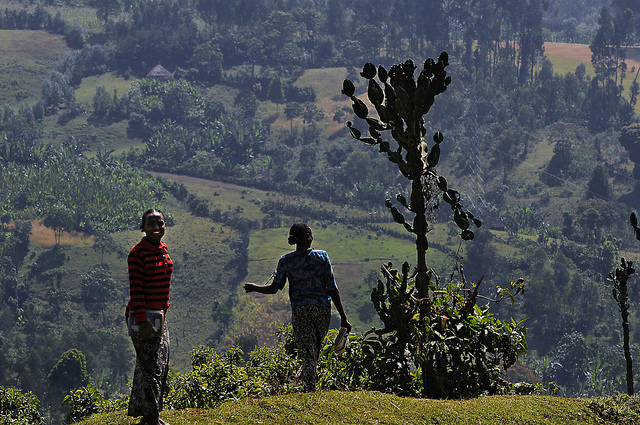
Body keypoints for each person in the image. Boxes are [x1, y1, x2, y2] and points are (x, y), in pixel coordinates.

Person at [244, 222, 351, 392]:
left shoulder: (286, 261)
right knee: (313, 349)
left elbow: (273, 288)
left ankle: (308, 387)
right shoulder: (322, 257)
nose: (312, 237)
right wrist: (343, 318)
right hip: (322, 310)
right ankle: (309, 387)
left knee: (308, 351)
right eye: (311, 234)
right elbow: (332, 288)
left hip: (301, 312)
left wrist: (254, 287)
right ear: (307, 237)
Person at [125, 209, 172, 425]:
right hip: (143, 318)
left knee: (158, 367)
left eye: (159, 223)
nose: (156, 227)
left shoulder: (162, 249)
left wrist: (164, 308)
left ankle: (150, 416)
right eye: (150, 223)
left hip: (159, 317)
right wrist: (143, 322)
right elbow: (136, 291)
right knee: (152, 368)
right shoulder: (137, 253)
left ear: (165, 225)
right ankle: (151, 418)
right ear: (142, 227)